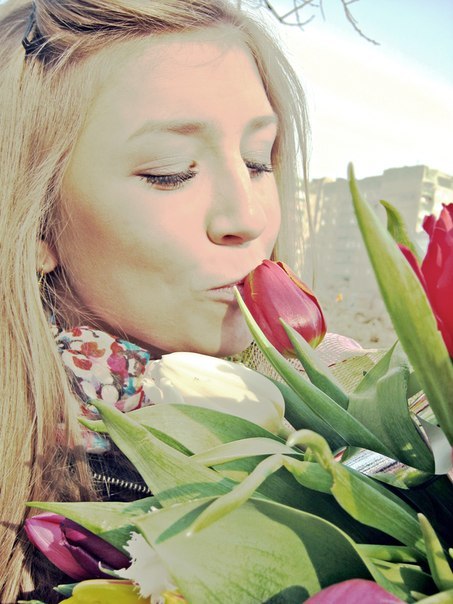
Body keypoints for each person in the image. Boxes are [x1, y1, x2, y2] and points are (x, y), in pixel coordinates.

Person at [0, 0, 311, 600]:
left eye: (257, 161)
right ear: (36, 222)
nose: (247, 218)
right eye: (170, 172)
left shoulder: (334, 432)